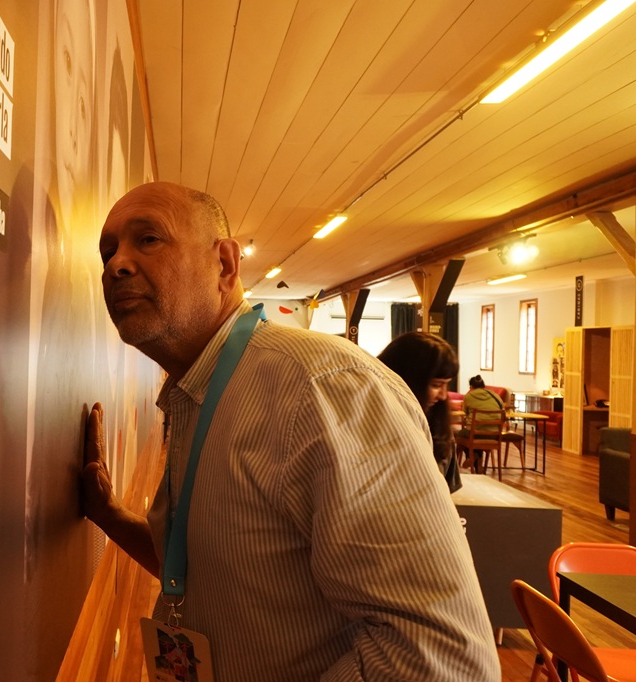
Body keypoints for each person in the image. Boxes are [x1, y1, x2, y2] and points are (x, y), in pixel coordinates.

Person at [80, 181, 499, 680]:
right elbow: (205, 568)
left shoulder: (325, 387)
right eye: (108, 251)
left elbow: (442, 659)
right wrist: (108, 515)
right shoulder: (194, 392)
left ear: (225, 264)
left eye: (148, 239)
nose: (117, 264)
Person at [376, 331, 462, 493]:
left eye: (447, 384)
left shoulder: (440, 430)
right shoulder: (371, 426)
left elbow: (447, 492)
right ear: (406, 380)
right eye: (436, 385)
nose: (443, 396)